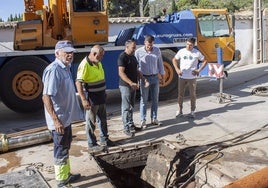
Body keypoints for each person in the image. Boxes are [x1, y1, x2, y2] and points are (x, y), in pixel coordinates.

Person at [42, 40, 83, 188]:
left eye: (71, 52)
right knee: (60, 149)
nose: (69, 55)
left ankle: (66, 175)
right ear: (57, 53)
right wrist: (56, 120)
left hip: (66, 118)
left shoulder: (65, 67)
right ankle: (61, 181)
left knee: (65, 147)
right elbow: (46, 96)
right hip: (59, 120)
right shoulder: (54, 70)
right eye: (66, 52)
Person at [76, 45, 114, 153]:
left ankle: (104, 139)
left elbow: (100, 77)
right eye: (100, 56)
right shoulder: (84, 65)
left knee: (103, 119)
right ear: (94, 54)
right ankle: (91, 144)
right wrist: (83, 99)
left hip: (100, 96)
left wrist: (104, 91)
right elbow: (78, 82)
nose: (102, 58)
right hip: (92, 98)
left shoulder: (97, 62)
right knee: (91, 122)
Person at [172, 37, 208, 118]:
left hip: (192, 77)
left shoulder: (197, 53)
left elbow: (205, 61)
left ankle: (192, 111)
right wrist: (177, 69)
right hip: (182, 76)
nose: (188, 46)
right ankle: (180, 110)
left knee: (192, 95)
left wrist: (199, 70)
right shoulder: (181, 51)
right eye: (187, 44)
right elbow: (174, 60)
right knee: (180, 94)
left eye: (190, 45)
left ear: (194, 45)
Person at [135, 35, 165, 128]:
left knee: (155, 99)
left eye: (151, 45)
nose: (149, 47)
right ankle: (143, 120)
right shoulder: (138, 52)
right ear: (144, 43)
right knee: (144, 100)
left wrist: (163, 77)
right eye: (148, 45)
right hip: (144, 78)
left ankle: (154, 118)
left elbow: (160, 64)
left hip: (155, 77)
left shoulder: (157, 50)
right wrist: (137, 81)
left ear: (153, 43)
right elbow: (136, 67)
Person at [118, 39, 146, 137]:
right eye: (133, 47)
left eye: (135, 47)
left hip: (133, 85)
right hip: (125, 86)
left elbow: (137, 70)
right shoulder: (123, 57)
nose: (135, 49)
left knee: (131, 106)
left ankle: (131, 125)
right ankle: (126, 128)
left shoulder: (133, 57)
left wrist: (143, 79)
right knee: (126, 107)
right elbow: (121, 72)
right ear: (127, 47)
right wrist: (130, 82)